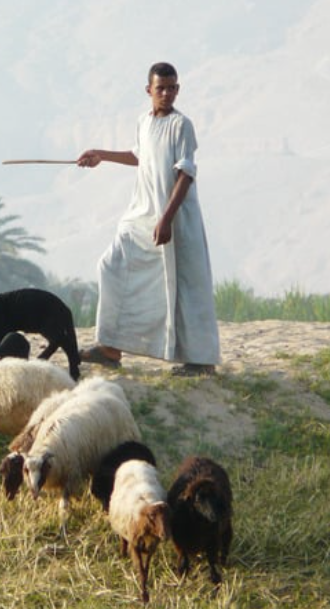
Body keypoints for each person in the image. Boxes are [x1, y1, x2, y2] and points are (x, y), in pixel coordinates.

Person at [76, 61, 220, 376]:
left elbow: (185, 174)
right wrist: (101, 155)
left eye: (172, 88)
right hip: (141, 214)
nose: (166, 94)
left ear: (178, 89)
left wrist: (166, 219)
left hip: (176, 218)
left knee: (187, 285)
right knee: (111, 266)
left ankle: (201, 360)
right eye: (160, 88)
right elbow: (139, 156)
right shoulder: (143, 122)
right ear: (148, 90)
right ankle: (109, 348)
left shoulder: (182, 125)